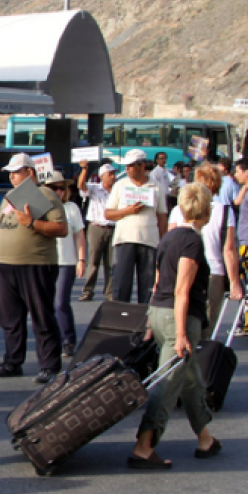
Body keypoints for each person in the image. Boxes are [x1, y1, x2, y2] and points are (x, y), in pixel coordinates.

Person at [127, 183, 223, 470]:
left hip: (159, 312)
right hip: (178, 318)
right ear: (206, 210)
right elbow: (182, 289)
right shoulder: (193, 242)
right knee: (167, 384)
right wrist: (181, 334)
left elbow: (158, 282)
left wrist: (148, 323)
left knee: (190, 378)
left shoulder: (168, 238)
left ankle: (205, 438)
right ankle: (144, 447)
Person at [0, 153, 68, 383]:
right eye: (10, 172)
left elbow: (61, 229)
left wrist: (33, 223)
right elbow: (0, 230)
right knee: (10, 317)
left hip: (36, 264)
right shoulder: (8, 198)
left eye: (16, 172)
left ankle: (50, 365)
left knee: (41, 315)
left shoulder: (45, 194)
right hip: (6, 264)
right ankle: (13, 361)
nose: (12, 176)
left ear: (30, 173)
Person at [168, 163, 241, 339]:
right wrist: (234, 281)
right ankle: (202, 357)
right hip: (213, 271)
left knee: (184, 319)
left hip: (182, 269)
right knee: (208, 324)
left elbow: (171, 241)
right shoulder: (224, 211)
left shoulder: (179, 209)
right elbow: (229, 249)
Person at [106, 149, 169, 304]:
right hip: (124, 239)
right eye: (126, 166)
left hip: (149, 241)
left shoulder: (157, 186)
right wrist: (128, 211)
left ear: (142, 166)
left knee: (147, 286)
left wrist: (164, 242)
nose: (127, 169)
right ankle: (121, 317)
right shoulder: (120, 185)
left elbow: (162, 217)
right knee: (121, 284)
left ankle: (144, 322)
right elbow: (108, 214)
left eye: (131, 166)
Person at [44, 172, 86, 357]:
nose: (59, 192)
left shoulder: (71, 208)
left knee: (61, 302)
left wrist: (82, 259)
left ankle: (68, 340)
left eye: (62, 188)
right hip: (45, 260)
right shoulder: (40, 207)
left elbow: (80, 235)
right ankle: (50, 339)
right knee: (45, 303)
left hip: (66, 260)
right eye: (54, 188)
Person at [77, 162, 117, 301]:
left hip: (114, 227)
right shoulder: (95, 188)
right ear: (102, 176)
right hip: (96, 227)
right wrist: (84, 169)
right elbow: (81, 185)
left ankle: (110, 293)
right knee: (93, 261)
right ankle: (88, 291)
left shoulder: (118, 190)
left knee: (111, 263)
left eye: (114, 174)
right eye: (110, 174)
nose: (113, 177)